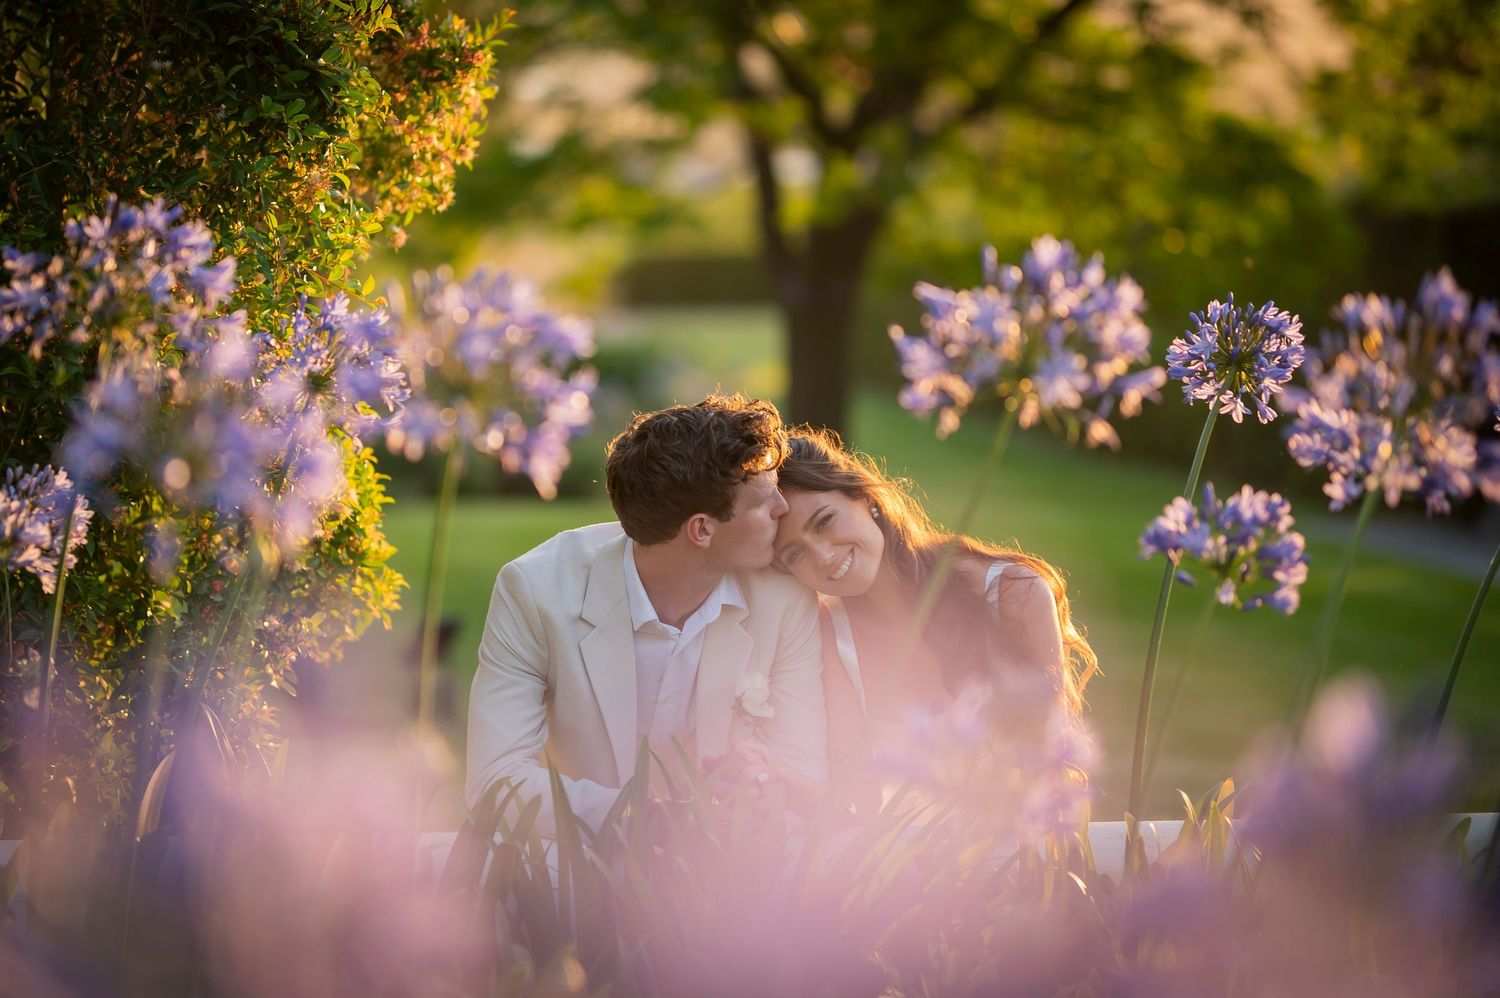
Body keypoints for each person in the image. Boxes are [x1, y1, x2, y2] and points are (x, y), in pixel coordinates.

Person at [465, 394, 827, 836]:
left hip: (734, 875)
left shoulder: (785, 598)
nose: (783, 509)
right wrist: (645, 819)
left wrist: (761, 788)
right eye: (764, 501)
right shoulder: (536, 591)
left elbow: (804, 769)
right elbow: (495, 783)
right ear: (702, 529)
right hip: (580, 872)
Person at [770, 427, 1096, 817]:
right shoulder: (830, 635)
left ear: (864, 496)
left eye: (823, 522)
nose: (821, 556)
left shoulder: (1012, 594)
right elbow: (848, 790)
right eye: (794, 554)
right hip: (901, 867)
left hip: (1016, 852)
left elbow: (1052, 765)